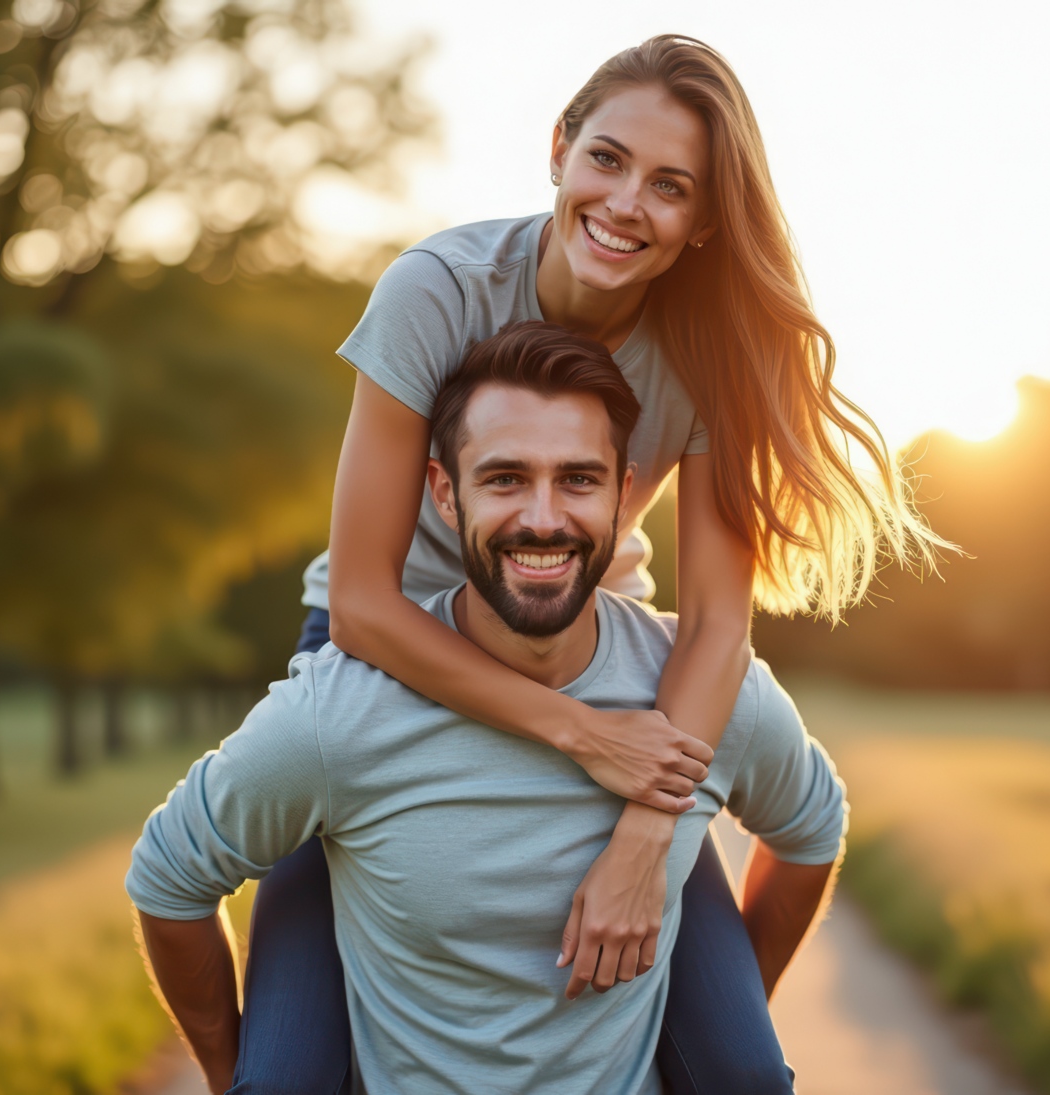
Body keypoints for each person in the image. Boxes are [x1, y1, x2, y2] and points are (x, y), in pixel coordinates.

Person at [244, 33, 941, 1093]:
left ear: (704, 220)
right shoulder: (436, 290)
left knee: (739, 1074)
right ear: (559, 148)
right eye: (608, 159)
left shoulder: (711, 350)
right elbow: (361, 605)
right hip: (388, 651)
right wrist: (582, 736)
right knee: (283, 1077)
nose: (625, 203)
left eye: (670, 185)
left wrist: (646, 835)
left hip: (589, 654)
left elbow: (718, 623)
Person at [130, 322, 847, 1094]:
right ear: (444, 492)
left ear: (623, 492)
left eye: (578, 479)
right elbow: (170, 877)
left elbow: (811, 828)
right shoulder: (342, 712)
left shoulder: (704, 693)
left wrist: (724, 1021)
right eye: (505, 478)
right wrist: (227, 1071)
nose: (543, 518)